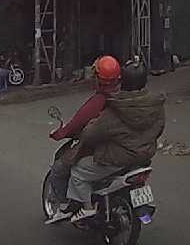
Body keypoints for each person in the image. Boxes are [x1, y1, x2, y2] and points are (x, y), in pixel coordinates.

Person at [47, 58, 165, 224]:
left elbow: (89, 133)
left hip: (118, 157)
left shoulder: (115, 107)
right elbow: (159, 128)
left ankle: (86, 207)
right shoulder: (155, 104)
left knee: (77, 171)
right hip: (144, 154)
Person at [45, 55, 121, 203]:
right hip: (126, 148)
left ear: (98, 78)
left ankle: (67, 204)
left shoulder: (99, 101)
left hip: (105, 151)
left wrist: (61, 133)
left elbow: (78, 123)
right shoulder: (126, 97)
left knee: (59, 168)